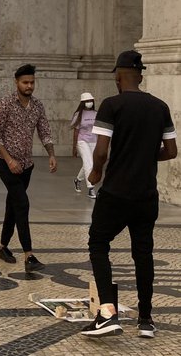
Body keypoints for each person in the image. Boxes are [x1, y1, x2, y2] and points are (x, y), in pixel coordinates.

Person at [81, 50, 177, 339]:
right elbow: (171, 151)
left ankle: (107, 312)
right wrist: (145, 157)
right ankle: (146, 319)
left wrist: (96, 172)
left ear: (119, 76)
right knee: (143, 253)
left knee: (98, 243)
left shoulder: (112, 105)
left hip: (116, 192)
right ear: (141, 76)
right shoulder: (160, 107)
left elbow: (100, 150)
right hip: (146, 195)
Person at [0, 64, 57, 272]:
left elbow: (45, 131)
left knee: (13, 204)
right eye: (25, 82)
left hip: (27, 165)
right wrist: (9, 159)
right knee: (22, 203)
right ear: (16, 82)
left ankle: (3, 247)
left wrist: (51, 154)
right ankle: (29, 255)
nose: (29, 86)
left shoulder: (37, 106)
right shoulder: (5, 104)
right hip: (5, 163)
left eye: (32, 82)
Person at [70, 92, 98, 198]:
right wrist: (74, 147)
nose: (89, 103)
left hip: (94, 141)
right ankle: (91, 188)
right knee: (89, 164)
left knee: (88, 164)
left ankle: (78, 179)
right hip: (82, 141)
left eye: (90, 100)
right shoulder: (78, 115)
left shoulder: (96, 113)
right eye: (87, 101)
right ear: (82, 102)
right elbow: (76, 131)